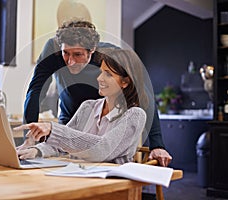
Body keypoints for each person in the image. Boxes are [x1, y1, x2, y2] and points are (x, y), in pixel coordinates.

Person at [20, 20, 172, 166]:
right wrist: (30, 142)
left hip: (109, 118)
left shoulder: (109, 56)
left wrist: (157, 144)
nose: (70, 62)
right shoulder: (86, 106)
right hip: (79, 112)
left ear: (92, 51)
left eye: (78, 55)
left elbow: (144, 95)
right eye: (65, 53)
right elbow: (35, 91)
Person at [15, 49, 147, 163]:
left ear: (125, 82)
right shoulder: (87, 107)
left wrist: (53, 130)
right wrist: (35, 151)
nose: (99, 78)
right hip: (79, 177)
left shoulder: (135, 115)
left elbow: (103, 149)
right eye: (101, 72)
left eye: (108, 74)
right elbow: (62, 144)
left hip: (113, 186)